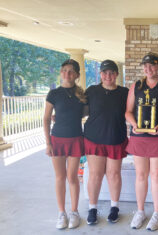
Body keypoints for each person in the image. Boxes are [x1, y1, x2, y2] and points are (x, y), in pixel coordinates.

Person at [125, 52, 158, 231]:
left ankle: (156, 213)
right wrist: (134, 125)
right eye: (146, 66)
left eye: (152, 65)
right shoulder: (136, 86)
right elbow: (128, 111)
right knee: (140, 175)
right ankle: (140, 211)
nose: (149, 69)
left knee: (156, 175)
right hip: (139, 137)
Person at [83, 60, 128, 225]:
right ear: (100, 75)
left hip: (116, 138)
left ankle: (114, 207)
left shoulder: (125, 92)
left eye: (111, 72)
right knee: (95, 175)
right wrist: (59, 116)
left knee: (114, 174)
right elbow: (80, 110)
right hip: (94, 138)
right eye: (104, 72)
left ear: (116, 74)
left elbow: (134, 111)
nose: (108, 76)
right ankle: (92, 208)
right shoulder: (92, 91)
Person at [44, 59, 86, 229]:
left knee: (72, 177)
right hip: (57, 140)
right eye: (64, 70)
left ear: (77, 75)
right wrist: (48, 143)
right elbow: (46, 118)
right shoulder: (53, 94)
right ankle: (62, 213)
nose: (67, 74)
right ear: (61, 73)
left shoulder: (82, 96)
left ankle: (74, 212)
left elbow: (89, 113)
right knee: (60, 177)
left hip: (76, 139)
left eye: (71, 71)